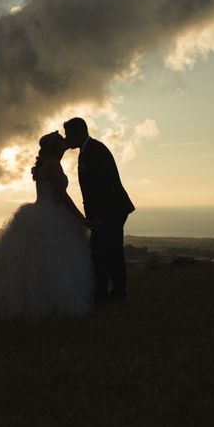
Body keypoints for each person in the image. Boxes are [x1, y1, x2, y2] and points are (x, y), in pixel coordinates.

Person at [0, 131, 94, 318]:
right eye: (61, 141)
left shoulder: (46, 164)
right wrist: (82, 219)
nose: (66, 142)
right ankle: (53, 304)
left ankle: (35, 302)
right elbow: (63, 197)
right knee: (55, 262)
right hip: (52, 215)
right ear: (57, 147)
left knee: (36, 263)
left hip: (40, 211)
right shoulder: (53, 165)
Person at [63, 117, 135, 305]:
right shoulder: (86, 151)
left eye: (68, 134)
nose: (66, 138)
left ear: (79, 132)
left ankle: (109, 295)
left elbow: (107, 185)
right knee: (107, 252)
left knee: (105, 253)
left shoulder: (96, 151)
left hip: (112, 211)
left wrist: (101, 216)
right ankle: (112, 293)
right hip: (107, 211)